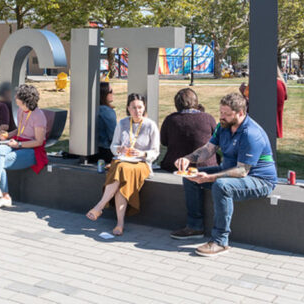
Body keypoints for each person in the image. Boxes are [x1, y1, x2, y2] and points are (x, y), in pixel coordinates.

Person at [170, 92, 278, 257]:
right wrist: (188, 159)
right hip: (230, 172)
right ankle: (195, 227)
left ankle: (220, 240)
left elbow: (242, 171)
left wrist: (212, 177)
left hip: (259, 179)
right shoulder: (223, 127)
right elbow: (208, 149)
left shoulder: (251, 134)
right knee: (192, 177)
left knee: (222, 186)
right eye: (221, 112)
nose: (222, 117)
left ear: (240, 113)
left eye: (227, 114)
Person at [84, 93, 160, 236]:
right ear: (128, 108)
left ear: (144, 108)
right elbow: (113, 146)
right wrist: (119, 149)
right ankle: (119, 224)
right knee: (121, 178)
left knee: (120, 168)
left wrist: (142, 154)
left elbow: (155, 152)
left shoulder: (151, 125)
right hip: (124, 161)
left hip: (141, 163)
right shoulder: (123, 123)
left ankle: (99, 206)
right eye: (134, 108)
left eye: (140, 107)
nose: (137, 111)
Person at [0, 84, 48, 208]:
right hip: (18, 143)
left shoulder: (39, 116)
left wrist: (19, 144)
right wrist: (8, 135)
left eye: (17, 96)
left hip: (33, 150)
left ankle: (4, 196)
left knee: (1, 162)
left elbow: (38, 142)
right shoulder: (22, 111)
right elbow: (19, 131)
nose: (15, 97)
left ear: (24, 100)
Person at [159, 88, 218, 172]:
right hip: (206, 165)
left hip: (175, 165)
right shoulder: (208, 118)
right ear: (196, 101)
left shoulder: (170, 120)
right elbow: (217, 140)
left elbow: (164, 141)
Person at [86, 82, 117, 170]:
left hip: (91, 153)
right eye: (111, 91)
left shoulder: (91, 109)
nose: (113, 93)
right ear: (104, 94)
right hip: (105, 152)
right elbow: (114, 136)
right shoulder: (106, 111)